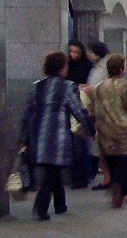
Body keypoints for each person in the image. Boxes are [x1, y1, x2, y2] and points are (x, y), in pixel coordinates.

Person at [19, 52, 95, 220]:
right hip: (57, 138)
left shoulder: (36, 86)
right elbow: (78, 110)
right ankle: (40, 208)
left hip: (37, 136)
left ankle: (60, 205)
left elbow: (27, 114)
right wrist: (91, 129)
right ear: (61, 68)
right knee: (53, 171)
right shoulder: (67, 86)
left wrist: (23, 138)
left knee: (53, 169)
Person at [89, 54, 127, 208]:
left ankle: (116, 185)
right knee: (123, 161)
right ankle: (121, 188)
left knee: (112, 161)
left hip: (105, 131)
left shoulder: (99, 88)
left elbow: (92, 110)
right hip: (124, 132)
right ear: (122, 69)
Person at [65, 39, 94, 189]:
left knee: (81, 143)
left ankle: (83, 175)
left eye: (77, 52)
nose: (74, 55)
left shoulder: (87, 66)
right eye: (71, 52)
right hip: (71, 106)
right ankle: (79, 175)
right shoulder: (68, 66)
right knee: (77, 144)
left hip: (82, 105)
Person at [85, 41, 112, 190]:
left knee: (106, 147)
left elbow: (108, 86)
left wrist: (93, 88)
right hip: (99, 110)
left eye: (91, 51)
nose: (89, 54)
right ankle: (108, 177)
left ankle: (111, 178)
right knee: (102, 148)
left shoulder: (105, 66)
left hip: (105, 111)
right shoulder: (99, 66)